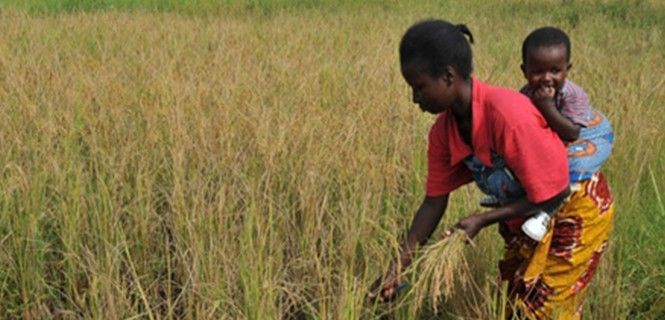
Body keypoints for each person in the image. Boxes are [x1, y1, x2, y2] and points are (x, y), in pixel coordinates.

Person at [367, 19, 615, 319]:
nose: (414, 98)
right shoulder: (444, 132)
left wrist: (484, 219)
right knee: (511, 305)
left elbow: (558, 189)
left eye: (420, 87)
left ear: (448, 77)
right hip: (527, 214)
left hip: (573, 209)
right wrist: (395, 270)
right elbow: (434, 203)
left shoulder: (508, 115)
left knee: (545, 310)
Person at [480, 26, 615, 242]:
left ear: (567, 69)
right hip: (551, 140)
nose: (546, 78)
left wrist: (547, 107)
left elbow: (571, 133)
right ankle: (508, 195)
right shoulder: (524, 95)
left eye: (555, 70)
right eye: (537, 71)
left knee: (571, 168)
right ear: (524, 71)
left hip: (586, 135)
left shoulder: (573, 95)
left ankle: (546, 211)